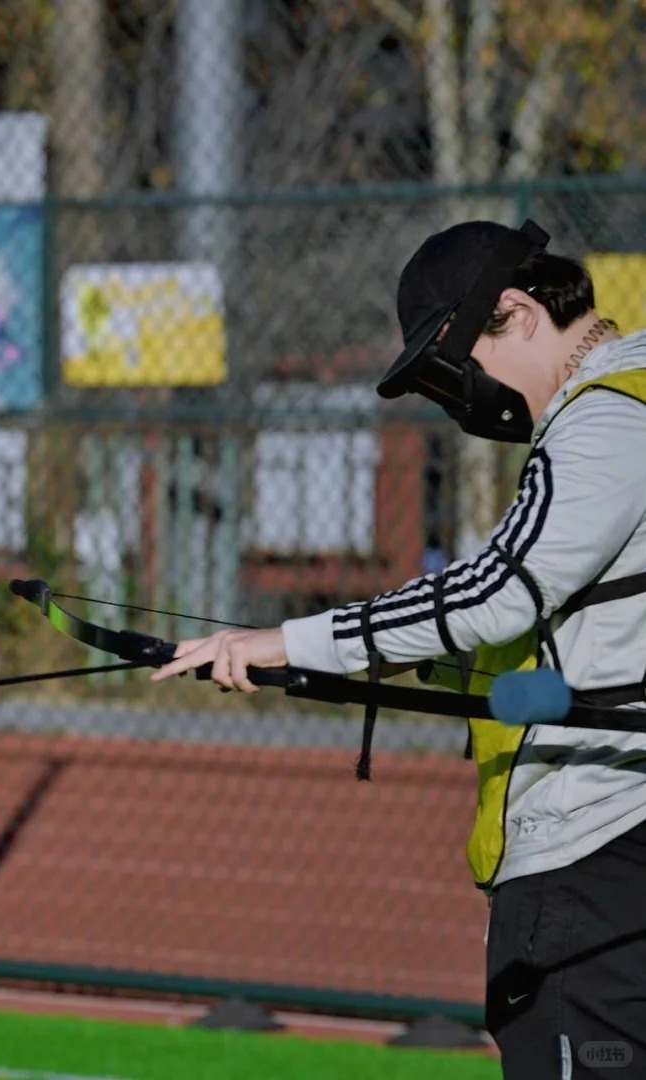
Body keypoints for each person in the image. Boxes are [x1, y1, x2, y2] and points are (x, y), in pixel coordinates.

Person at [152, 220, 646, 1074]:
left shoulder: (604, 419)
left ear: (520, 313)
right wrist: (391, 654)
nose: (460, 400)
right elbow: (584, 628)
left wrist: (291, 640)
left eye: (452, 369)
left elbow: (498, 591)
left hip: (594, 848)